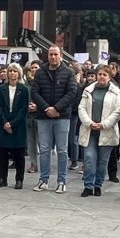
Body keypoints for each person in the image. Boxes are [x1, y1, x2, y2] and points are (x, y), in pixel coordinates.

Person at [31, 46, 77, 193]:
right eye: (51, 54)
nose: (53, 57)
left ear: (61, 56)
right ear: (48, 56)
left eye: (56, 54)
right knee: (44, 149)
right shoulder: (40, 72)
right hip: (44, 116)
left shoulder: (69, 72)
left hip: (62, 116)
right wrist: (46, 108)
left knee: (62, 151)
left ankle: (61, 181)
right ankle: (43, 180)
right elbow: (35, 92)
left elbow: (72, 93)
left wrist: (56, 108)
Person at [77, 65, 120, 198]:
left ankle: (98, 185)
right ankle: (88, 185)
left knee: (103, 161)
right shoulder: (88, 90)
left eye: (105, 75)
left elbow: (118, 111)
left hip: (106, 130)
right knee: (90, 158)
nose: (101, 77)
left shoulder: (115, 92)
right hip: (90, 130)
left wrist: (104, 124)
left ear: (109, 77)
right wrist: (89, 123)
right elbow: (81, 108)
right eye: (100, 74)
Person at [0, 62, 29, 189]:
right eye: (10, 71)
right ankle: (3, 178)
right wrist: (5, 122)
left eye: (15, 71)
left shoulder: (24, 90)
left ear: (19, 73)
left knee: (19, 155)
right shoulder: (1, 89)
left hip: (18, 126)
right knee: (3, 154)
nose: (12, 73)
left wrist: (12, 123)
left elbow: (23, 109)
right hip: (4, 124)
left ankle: (19, 179)